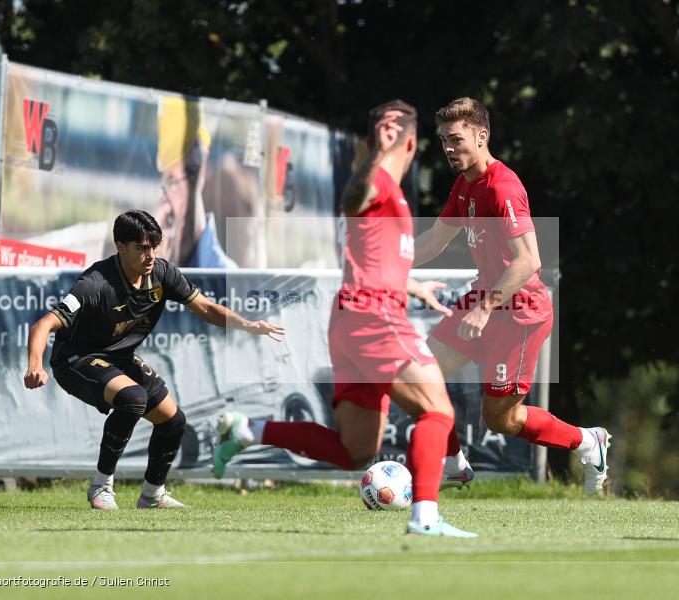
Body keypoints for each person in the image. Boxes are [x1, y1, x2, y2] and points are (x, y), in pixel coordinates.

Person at [213, 100, 476, 538]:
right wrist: (375, 156)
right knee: (437, 411)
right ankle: (425, 518)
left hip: (352, 318)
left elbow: (375, 260)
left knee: (355, 451)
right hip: (374, 316)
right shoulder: (375, 186)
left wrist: (414, 287)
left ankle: (248, 430)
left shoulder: (388, 193)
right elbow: (354, 198)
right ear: (412, 142)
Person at [413, 97, 610, 495]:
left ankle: (589, 442)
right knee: (419, 373)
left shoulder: (503, 187)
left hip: (519, 312)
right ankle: (453, 464)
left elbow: (529, 262)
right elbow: (435, 238)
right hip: (485, 300)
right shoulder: (465, 183)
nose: (448, 148)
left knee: (501, 420)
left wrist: (485, 308)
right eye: (443, 141)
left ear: (482, 136)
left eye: (455, 139)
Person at [23, 209, 284, 510]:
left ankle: (152, 495)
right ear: (120, 246)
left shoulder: (161, 273)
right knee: (133, 398)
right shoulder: (94, 283)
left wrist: (248, 324)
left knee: (174, 421)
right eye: (142, 248)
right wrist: (35, 365)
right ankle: (101, 485)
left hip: (119, 358)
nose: (150, 255)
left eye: (155, 246)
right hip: (77, 360)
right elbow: (43, 325)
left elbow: (206, 308)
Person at [154, 96, 237, 268]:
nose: (168, 199)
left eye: (176, 181)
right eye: (168, 181)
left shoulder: (224, 274)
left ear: (202, 171)